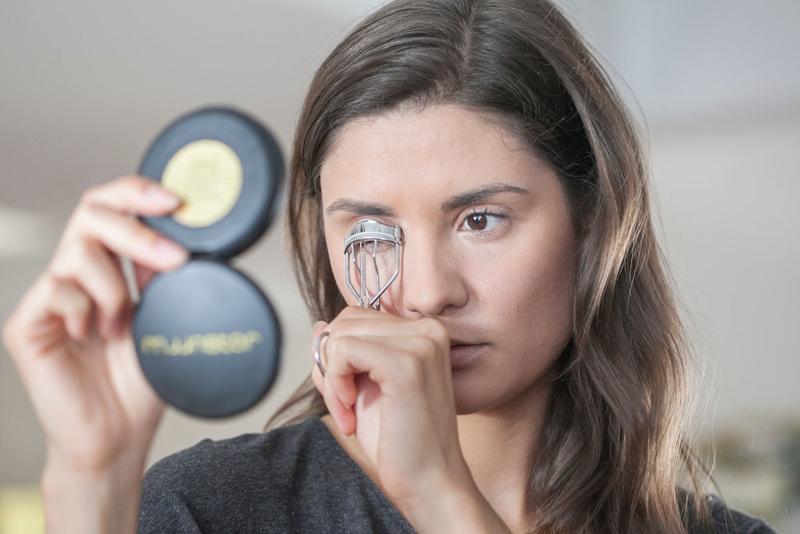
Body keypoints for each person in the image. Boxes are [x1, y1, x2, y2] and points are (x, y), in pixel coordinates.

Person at [1, 0, 778, 532]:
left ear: (594, 225)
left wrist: (442, 500)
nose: (427, 293)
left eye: (481, 220)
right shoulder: (215, 508)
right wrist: (92, 478)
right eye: (372, 229)